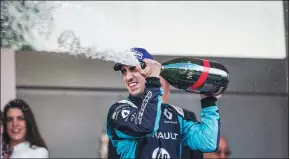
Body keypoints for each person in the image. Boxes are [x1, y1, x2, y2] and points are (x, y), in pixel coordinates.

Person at [106, 47, 221, 159]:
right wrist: (152, 81)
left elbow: (208, 142)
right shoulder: (119, 110)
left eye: (133, 69)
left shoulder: (175, 114)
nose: (128, 77)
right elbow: (146, 126)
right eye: (124, 72)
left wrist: (208, 101)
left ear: (149, 68)